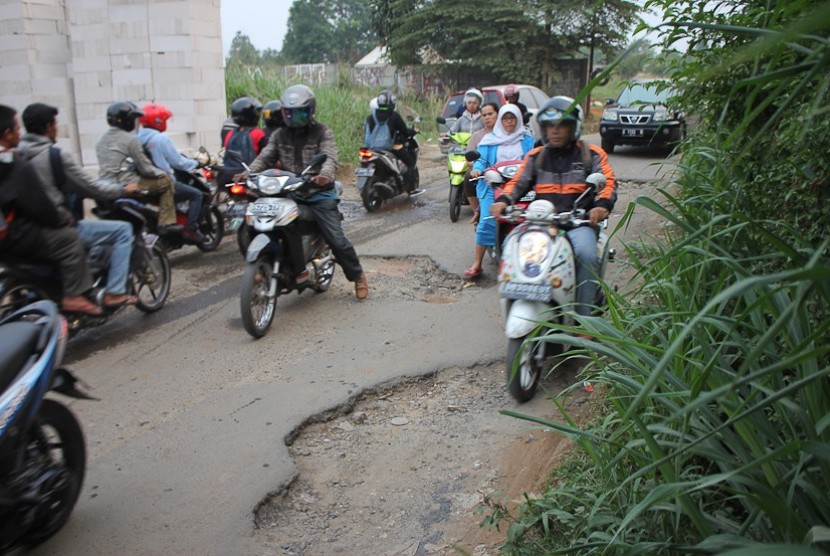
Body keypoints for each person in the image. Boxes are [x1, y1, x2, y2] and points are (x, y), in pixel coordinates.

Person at [233, 84, 369, 300]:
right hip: (290, 194)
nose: (294, 118)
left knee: (336, 239)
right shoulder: (279, 135)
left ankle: (357, 275)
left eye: (300, 113)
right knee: (254, 220)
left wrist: (324, 175)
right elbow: (265, 157)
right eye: (289, 113)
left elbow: (330, 157)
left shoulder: (322, 132)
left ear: (310, 111)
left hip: (318, 194)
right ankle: (279, 268)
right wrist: (247, 173)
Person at [490, 96, 617, 318]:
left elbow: (607, 183)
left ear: (573, 127)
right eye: (549, 127)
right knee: (510, 243)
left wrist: (601, 205)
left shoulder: (591, 155)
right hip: (541, 223)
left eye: (561, 126)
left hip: (578, 223)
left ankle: (585, 318)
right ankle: (521, 296)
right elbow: (517, 183)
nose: (554, 132)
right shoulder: (536, 156)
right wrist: (503, 201)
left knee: (586, 254)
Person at [18, 102, 140, 307]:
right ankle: (115, 292)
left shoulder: (16, 154)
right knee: (123, 231)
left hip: (27, 230)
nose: (57, 127)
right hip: (58, 225)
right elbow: (91, 187)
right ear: (49, 126)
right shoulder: (54, 156)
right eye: (55, 123)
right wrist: (122, 189)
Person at [0, 105, 103, 315]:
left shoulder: (19, 156)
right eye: (16, 129)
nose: (19, 133)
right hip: (17, 235)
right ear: (7, 133)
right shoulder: (15, 163)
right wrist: (60, 220)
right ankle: (74, 294)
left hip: (8, 235)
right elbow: (38, 204)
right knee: (69, 239)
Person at [464, 104, 535, 278]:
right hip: (493, 185)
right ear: (501, 120)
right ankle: (477, 263)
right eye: (505, 118)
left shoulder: (527, 139)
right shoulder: (489, 140)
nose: (509, 121)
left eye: (512, 118)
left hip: (521, 186)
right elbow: (481, 160)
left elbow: (534, 159)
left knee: (535, 216)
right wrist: (478, 170)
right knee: (488, 219)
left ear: (518, 119)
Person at [96, 101, 182, 234]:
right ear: (126, 120)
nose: (136, 122)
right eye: (133, 119)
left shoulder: (101, 140)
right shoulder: (131, 140)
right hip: (127, 182)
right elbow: (146, 168)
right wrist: (163, 173)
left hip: (106, 183)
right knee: (166, 182)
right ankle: (166, 222)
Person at [137, 102, 213, 244]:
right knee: (196, 195)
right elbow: (178, 162)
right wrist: (197, 163)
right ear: (158, 121)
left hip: (142, 182)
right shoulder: (160, 139)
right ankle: (191, 229)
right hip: (162, 181)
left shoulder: (136, 138)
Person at [363, 89, 420, 193]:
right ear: (391, 102)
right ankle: (411, 189)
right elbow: (404, 131)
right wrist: (412, 132)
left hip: (370, 149)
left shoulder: (370, 117)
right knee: (410, 162)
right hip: (388, 148)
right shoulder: (394, 116)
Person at [463, 102, 499, 224]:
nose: (487, 117)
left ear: (498, 114)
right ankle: (477, 213)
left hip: (504, 171)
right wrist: (477, 169)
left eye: (490, 114)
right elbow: (470, 159)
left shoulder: (506, 135)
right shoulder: (477, 136)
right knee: (468, 177)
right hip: (482, 173)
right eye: (484, 115)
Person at [218, 97, 267, 186]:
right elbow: (266, 156)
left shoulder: (230, 134)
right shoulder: (258, 134)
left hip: (227, 176)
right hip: (248, 176)